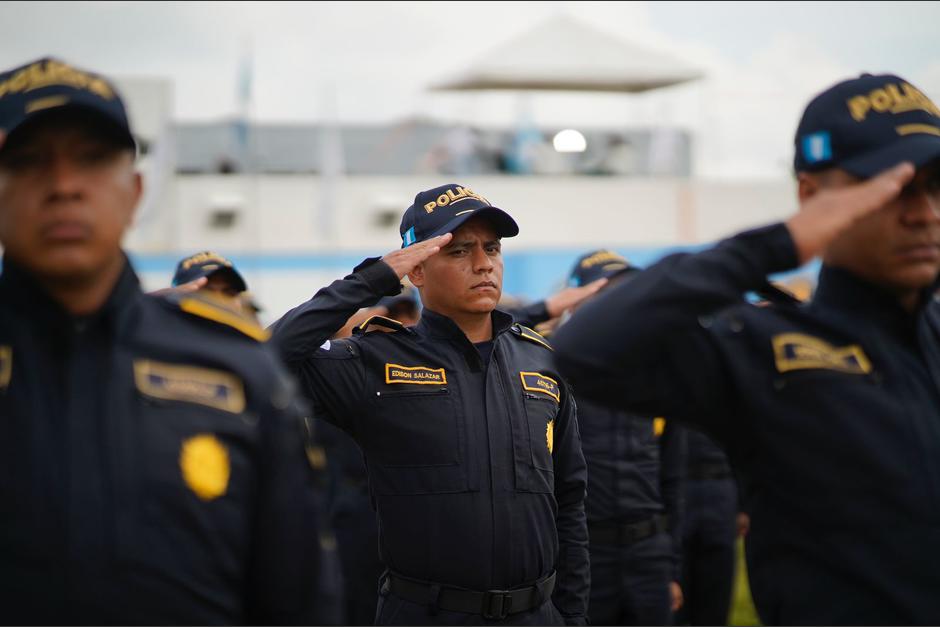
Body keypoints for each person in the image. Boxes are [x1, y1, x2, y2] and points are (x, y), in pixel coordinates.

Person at [552, 73, 940, 624]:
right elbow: (586, 350)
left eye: (935, 186)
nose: (924, 213)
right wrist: (781, 241)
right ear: (812, 196)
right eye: (892, 187)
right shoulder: (766, 347)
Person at [0, 57, 320, 624]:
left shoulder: (234, 369)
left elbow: (298, 599)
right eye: (27, 161)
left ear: (136, 190)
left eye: (92, 160)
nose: (64, 186)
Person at [269, 183, 590, 625]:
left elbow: (569, 502)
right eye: (459, 251)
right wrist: (374, 277)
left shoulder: (541, 360)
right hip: (427, 613)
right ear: (416, 270)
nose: (483, 264)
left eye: (492, 249)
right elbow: (267, 357)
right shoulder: (375, 361)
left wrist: (572, 616)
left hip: (536, 614)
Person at [561, 250, 687, 626]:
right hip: (586, 556)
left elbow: (673, 479)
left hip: (649, 556)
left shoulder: (655, 377)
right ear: (577, 299)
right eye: (605, 292)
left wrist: (671, 568)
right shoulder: (551, 372)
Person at [674, 429, 740, 626]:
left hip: (721, 489)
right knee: (674, 599)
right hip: (678, 489)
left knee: (716, 601)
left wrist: (745, 504)